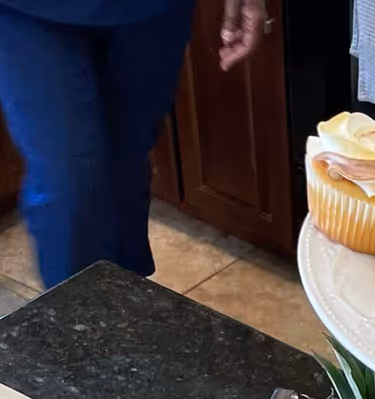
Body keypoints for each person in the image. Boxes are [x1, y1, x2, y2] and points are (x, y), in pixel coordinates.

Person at [0, 0, 265, 289]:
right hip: (25, 12)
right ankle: (78, 319)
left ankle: (127, 303)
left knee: (126, 164)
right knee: (68, 179)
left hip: (153, 11)